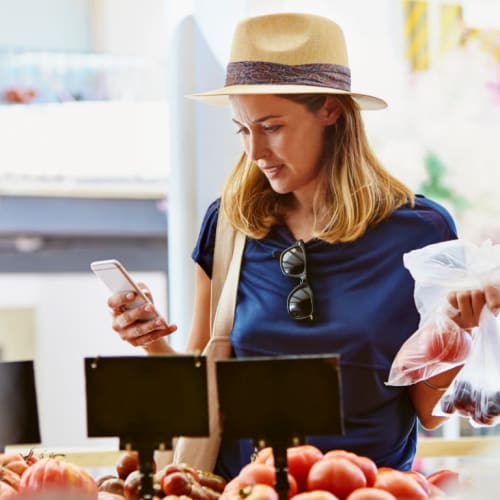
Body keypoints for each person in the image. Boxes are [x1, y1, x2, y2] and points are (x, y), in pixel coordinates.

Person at [107, 12, 500, 480]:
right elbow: (202, 383)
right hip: (247, 492)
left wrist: (457, 329)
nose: (254, 152)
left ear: (330, 110)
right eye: (243, 129)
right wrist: (154, 344)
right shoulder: (230, 226)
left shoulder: (420, 231)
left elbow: (430, 413)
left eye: (271, 126)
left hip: (369, 492)